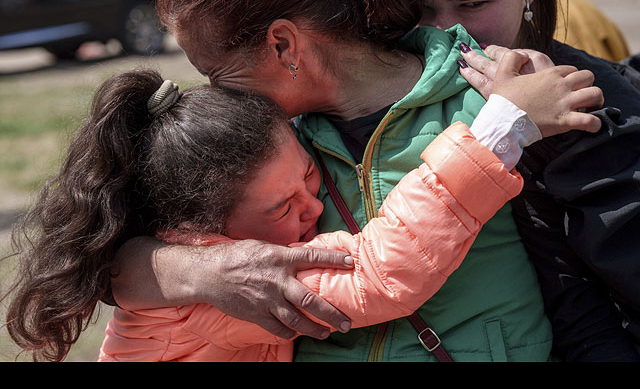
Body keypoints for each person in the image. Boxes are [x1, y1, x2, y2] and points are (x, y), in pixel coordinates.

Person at [108, 0, 604, 362]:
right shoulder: (262, 147)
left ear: (283, 45)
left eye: (217, 73)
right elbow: (111, 266)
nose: (216, 95)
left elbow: (585, 271)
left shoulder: (496, 99)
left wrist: (506, 119)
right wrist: (204, 270)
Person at [9, 61, 553, 362]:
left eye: (309, 173)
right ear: (199, 232)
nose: (312, 205)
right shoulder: (226, 281)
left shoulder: (178, 259)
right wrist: (495, 134)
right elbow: (377, 274)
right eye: (283, 205)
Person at [382, 0, 640, 361]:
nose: (447, 31)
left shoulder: (606, 105)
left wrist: (572, 147)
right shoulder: (362, 104)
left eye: (472, 5)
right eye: (419, 10)